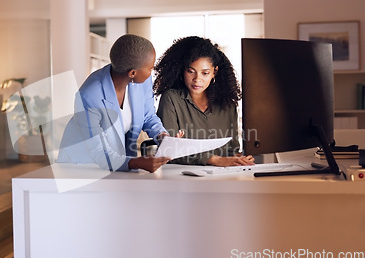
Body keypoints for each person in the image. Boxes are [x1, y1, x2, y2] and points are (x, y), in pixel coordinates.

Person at [57, 34, 182, 172]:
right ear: (132, 73)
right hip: (84, 165)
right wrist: (136, 163)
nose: (151, 72)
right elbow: (99, 152)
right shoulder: (89, 96)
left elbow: (148, 115)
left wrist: (161, 136)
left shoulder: (142, 81)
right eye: (150, 68)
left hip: (118, 161)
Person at [154, 36, 254, 166]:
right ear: (182, 70)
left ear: (214, 72)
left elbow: (232, 149)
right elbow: (170, 149)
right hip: (181, 177)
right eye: (191, 71)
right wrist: (214, 160)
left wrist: (239, 159)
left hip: (222, 175)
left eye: (205, 73)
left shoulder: (227, 104)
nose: (197, 79)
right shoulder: (171, 99)